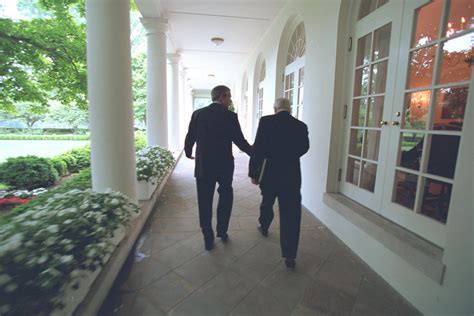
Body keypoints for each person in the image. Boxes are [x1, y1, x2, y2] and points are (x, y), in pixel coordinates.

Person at [185, 85, 252, 250]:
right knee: (226, 196)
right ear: (222, 96)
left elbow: (190, 136)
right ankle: (222, 230)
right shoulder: (230, 116)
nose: (230, 101)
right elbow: (240, 141)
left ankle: (207, 235)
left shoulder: (198, 114)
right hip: (224, 165)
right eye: (229, 97)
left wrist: (188, 152)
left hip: (204, 165)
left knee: (204, 200)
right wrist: (255, 153)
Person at [249, 97, 309, 268]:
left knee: (267, 201)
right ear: (289, 109)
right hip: (291, 175)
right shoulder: (300, 126)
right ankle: (290, 256)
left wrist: (253, 172)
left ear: (275, 108)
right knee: (291, 214)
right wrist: (289, 155)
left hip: (269, 173)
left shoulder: (266, 122)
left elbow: (258, 148)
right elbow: (304, 147)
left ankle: (264, 225)